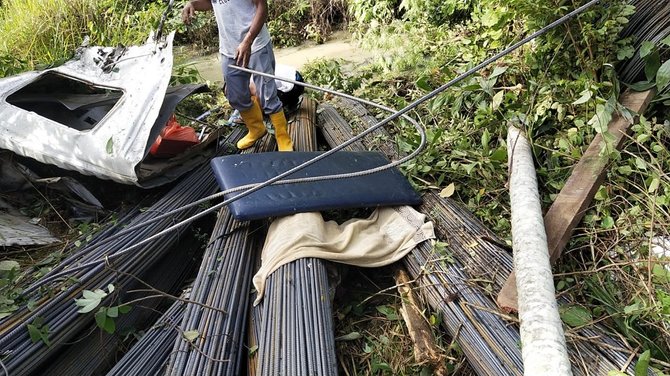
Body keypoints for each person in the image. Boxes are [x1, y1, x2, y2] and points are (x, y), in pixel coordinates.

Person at [182, 0, 293, 152]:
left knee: (267, 95)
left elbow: (262, 6)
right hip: (229, 48)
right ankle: (256, 129)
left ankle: (282, 136)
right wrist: (192, 4)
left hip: (256, 44)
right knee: (235, 95)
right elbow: (210, 3)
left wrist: (248, 41)